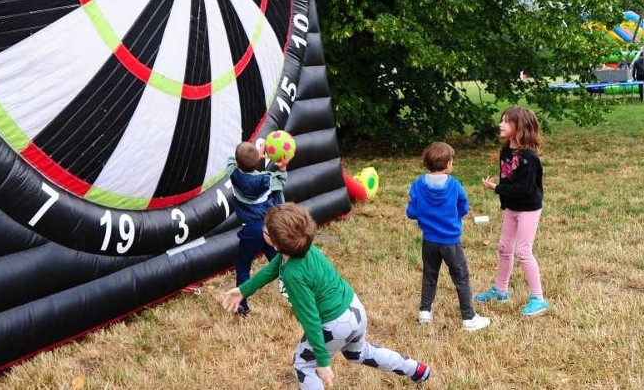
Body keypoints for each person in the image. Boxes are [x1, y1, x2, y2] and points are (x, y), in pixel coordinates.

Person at [222, 203, 431, 388]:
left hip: (333, 324)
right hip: (354, 310)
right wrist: (243, 290)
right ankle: (416, 369)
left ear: (276, 244)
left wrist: (322, 362)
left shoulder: (294, 275)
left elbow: (310, 319)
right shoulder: (303, 248)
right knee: (360, 353)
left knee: (304, 365)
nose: (263, 229)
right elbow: (273, 267)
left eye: (265, 229)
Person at [406, 142, 490, 331]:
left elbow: (411, 212)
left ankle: (425, 312)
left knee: (429, 274)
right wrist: (456, 215)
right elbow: (463, 208)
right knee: (461, 278)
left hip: (429, 241)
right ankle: (469, 318)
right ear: (449, 163)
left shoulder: (418, 185)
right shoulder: (454, 185)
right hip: (451, 242)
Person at [476, 106, 549, 316]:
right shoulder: (506, 151)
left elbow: (523, 189)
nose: (501, 124)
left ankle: (538, 298)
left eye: (507, 121)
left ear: (520, 127)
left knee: (523, 251)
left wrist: (497, 189)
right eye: (502, 120)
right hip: (512, 207)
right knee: (504, 248)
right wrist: (504, 202)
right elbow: (507, 179)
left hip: (528, 209)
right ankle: (500, 290)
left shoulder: (529, 158)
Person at [226, 141, 289, 316]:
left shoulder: (234, 175)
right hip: (269, 229)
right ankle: (295, 295)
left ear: (238, 164)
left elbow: (231, 161)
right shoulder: (267, 180)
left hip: (250, 231)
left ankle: (242, 305)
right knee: (280, 263)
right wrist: (281, 168)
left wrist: (253, 157)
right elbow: (281, 181)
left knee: (243, 265)